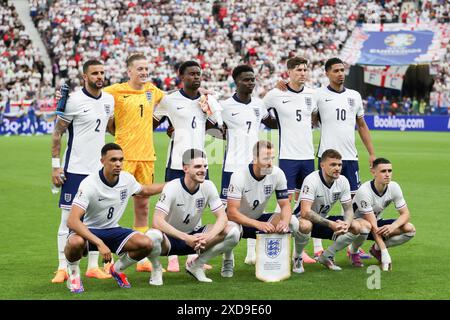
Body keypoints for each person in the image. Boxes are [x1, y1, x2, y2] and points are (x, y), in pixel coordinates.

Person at [64, 143, 165, 293]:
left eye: (120, 160)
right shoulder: (89, 184)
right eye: (113, 160)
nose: (118, 164)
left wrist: (173, 184)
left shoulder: (127, 179)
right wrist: (99, 243)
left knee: (146, 243)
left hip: (113, 230)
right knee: (74, 242)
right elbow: (72, 221)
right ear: (102, 161)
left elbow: (145, 190)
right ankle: (73, 275)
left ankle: (117, 270)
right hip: (89, 231)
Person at [50, 60, 115, 283]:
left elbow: (110, 128)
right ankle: (61, 267)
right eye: (95, 73)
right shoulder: (74, 101)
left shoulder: (109, 100)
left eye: (102, 72)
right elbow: (57, 133)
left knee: (96, 221)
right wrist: (55, 166)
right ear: (85, 77)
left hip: (100, 171)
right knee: (67, 219)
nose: (100, 76)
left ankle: (93, 267)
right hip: (75, 170)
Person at [103, 53, 165, 272]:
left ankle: (141, 258)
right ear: (129, 71)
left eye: (146, 69)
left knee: (143, 204)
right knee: (112, 204)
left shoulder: (153, 91)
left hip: (147, 156)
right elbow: (94, 96)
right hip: (123, 157)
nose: (144, 72)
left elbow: (173, 99)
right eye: (140, 69)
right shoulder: (116, 91)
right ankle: (105, 258)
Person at [153, 60, 216, 272]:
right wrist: (170, 128)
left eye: (199, 73)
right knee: (172, 209)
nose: (196, 77)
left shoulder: (206, 101)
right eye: (191, 74)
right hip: (177, 162)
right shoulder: (169, 100)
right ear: (181, 76)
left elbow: (217, 127)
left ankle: (191, 255)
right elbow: (152, 122)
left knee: (196, 209)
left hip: (200, 163)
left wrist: (212, 109)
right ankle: (171, 256)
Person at [145, 149, 240, 285]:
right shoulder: (172, 187)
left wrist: (210, 235)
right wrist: (185, 237)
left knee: (233, 231)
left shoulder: (208, 186)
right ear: (185, 168)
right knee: (152, 235)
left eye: (205, 166)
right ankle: (156, 268)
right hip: (169, 240)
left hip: (196, 239)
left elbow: (222, 217)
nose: (203, 170)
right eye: (197, 166)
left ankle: (197, 265)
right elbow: (157, 221)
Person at [312, 57, 376, 257]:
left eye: (342, 70)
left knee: (353, 202)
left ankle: (353, 246)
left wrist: (372, 153)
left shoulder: (354, 96)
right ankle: (317, 248)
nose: (340, 74)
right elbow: (310, 121)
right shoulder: (318, 95)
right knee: (319, 202)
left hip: (350, 157)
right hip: (327, 157)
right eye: (336, 70)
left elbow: (362, 125)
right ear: (327, 73)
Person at [214, 64, 277, 266]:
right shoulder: (223, 106)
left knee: (255, 207)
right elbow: (210, 127)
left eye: (252, 79)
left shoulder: (259, 105)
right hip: (232, 166)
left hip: (257, 166)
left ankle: (251, 253)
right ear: (236, 82)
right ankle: (227, 256)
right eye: (245, 79)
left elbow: (273, 123)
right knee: (228, 213)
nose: (250, 83)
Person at [224, 140, 308, 276]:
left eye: (272, 158)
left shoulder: (277, 173)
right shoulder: (239, 176)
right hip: (237, 220)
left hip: (258, 218)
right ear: (255, 158)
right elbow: (231, 212)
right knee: (231, 231)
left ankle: (292, 258)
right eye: (266, 159)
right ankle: (228, 259)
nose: (270, 163)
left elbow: (285, 205)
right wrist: (258, 224)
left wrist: (284, 223)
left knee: (293, 222)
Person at [263, 57, 317, 264]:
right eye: (298, 70)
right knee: (284, 203)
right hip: (287, 157)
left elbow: (317, 114)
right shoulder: (276, 94)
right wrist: (277, 125)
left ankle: (306, 250)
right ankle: (275, 247)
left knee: (309, 205)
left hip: (307, 157)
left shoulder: (314, 94)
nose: (302, 73)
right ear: (289, 72)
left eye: (305, 69)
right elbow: (260, 110)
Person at [293, 149, 372, 271]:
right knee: (305, 225)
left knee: (356, 226)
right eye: (333, 165)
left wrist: (347, 223)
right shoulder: (312, 180)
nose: (337, 168)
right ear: (322, 165)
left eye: (339, 165)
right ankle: (297, 258)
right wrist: (331, 224)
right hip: (300, 220)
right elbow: (305, 212)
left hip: (322, 220)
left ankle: (327, 256)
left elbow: (348, 210)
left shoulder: (343, 181)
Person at [352, 157, 416, 270]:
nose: (387, 174)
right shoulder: (364, 191)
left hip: (375, 222)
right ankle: (354, 252)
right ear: (373, 172)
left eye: (389, 171)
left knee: (409, 229)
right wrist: (385, 253)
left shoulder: (394, 187)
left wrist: (393, 227)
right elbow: (371, 224)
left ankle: (375, 249)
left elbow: (405, 214)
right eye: (383, 171)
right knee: (365, 228)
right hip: (357, 225)